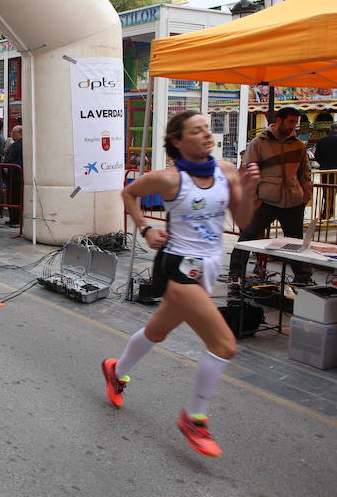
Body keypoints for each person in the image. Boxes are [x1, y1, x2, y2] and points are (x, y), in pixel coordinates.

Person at [105, 110, 260, 458]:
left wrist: (248, 190)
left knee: (156, 332)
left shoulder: (226, 171)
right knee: (224, 345)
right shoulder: (169, 179)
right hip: (177, 265)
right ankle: (194, 417)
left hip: (208, 266)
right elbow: (129, 194)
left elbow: (245, 222)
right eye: (197, 130)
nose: (207, 134)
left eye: (207, 129)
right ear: (177, 141)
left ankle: (117, 369)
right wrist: (146, 228)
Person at [228, 107, 313, 285]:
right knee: (248, 236)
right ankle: (235, 274)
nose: (293, 126)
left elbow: (305, 174)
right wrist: (254, 199)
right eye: (290, 122)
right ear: (279, 120)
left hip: (293, 201)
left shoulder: (298, 145)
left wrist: (306, 195)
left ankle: (304, 279)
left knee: (296, 241)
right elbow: (247, 172)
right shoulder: (259, 143)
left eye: (295, 123)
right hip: (265, 200)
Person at [313, 123, 337, 219]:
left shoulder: (322, 141)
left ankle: (327, 213)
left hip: (326, 171)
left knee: (327, 193)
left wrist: (324, 164)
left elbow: (317, 157)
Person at [4, 125, 23, 227]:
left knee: (16, 197)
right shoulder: (14, 144)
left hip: (16, 175)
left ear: (20, 133)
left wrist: (11, 167)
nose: (11, 134)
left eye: (14, 132)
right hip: (10, 176)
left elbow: (20, 160)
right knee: (10, 197)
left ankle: (17, 220)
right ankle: (12, 218)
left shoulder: (21, 145)